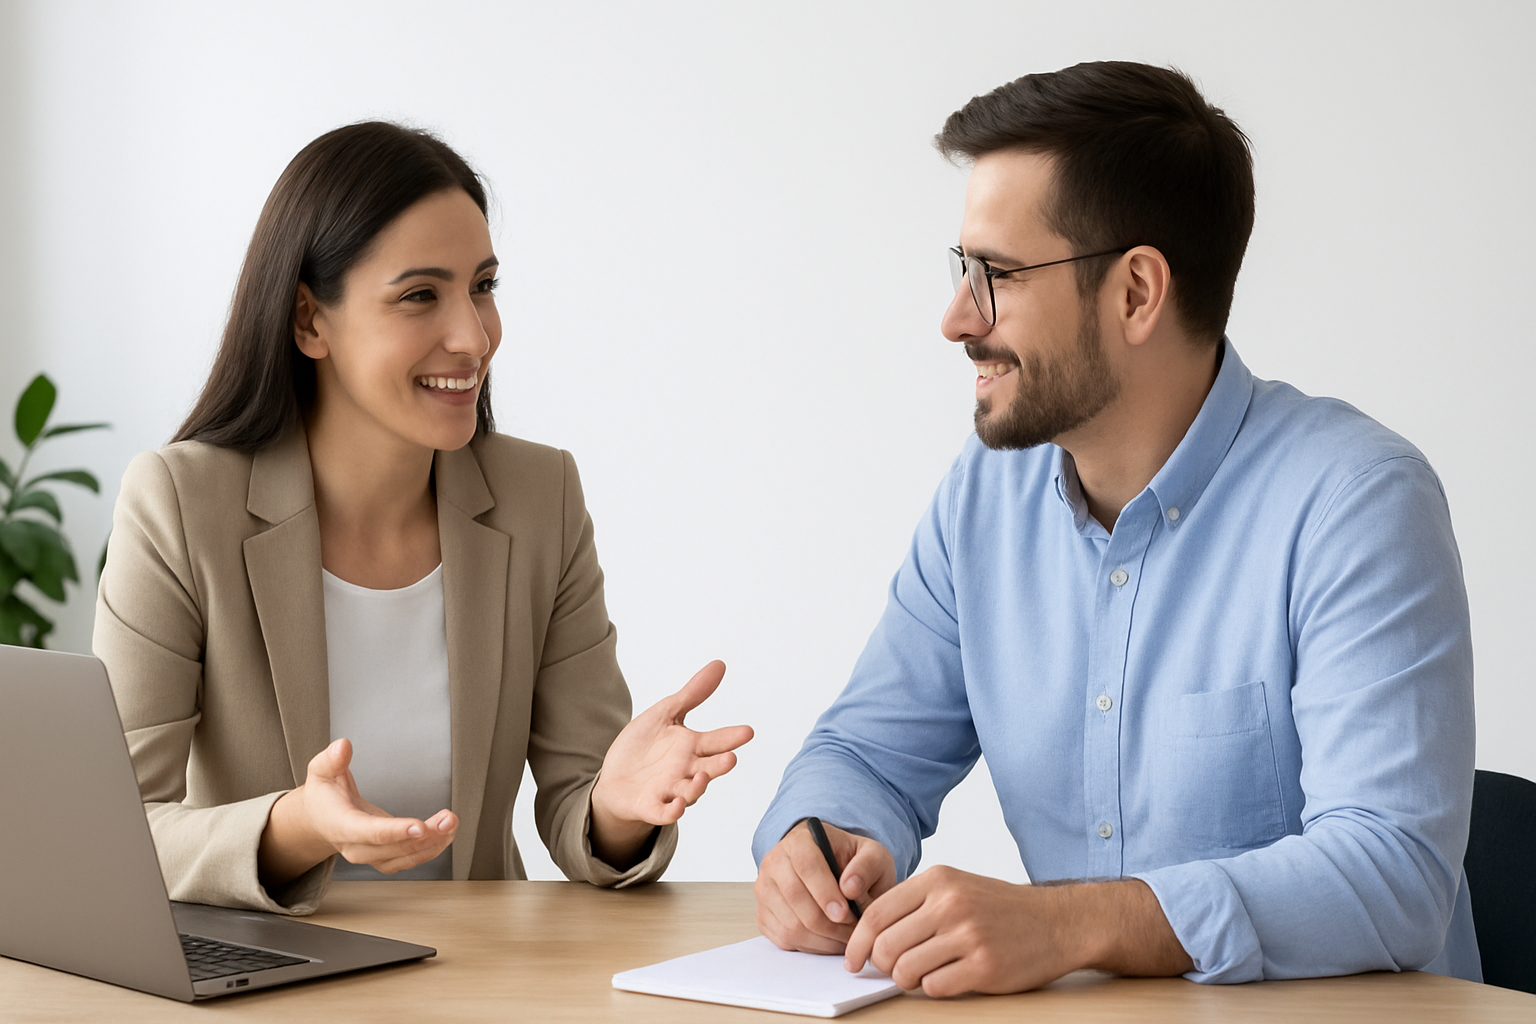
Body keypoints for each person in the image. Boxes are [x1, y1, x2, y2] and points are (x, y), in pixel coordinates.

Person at [752, 61, 1478, 995]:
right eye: (960, 269)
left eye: (998, 274)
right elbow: (862, 756)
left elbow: (1393, 874)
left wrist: (1073, 923)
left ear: (1137, 292)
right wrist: (820, 842)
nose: (955, 318)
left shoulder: (1358, 503)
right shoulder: (987, 496)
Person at [95, 121, 752, 915]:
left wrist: (616, 810)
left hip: (477, 976)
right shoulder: (177, 503)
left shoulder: (540, 496)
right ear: (310, 321)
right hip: (258, 971)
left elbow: (582, 803)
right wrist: (299, 827)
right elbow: (113, 831)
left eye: (483, 286)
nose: (473, 337)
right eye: (419, 296)